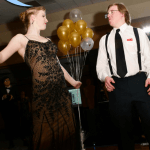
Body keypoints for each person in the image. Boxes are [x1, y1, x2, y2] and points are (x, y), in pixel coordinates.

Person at [0, 6, 82, 150]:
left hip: (61, 94)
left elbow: (58, 65)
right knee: (45, 138)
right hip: (43, 96)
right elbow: (1, 56)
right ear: (33, 18)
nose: (47, 19)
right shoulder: (21, 39)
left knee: (66, 137)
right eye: (43, 16)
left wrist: (73, 81)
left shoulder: (48, 40)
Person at [96, 3, 150, 150]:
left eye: (111, 12)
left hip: (141, 83)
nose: (108, 15)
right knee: (123, 132)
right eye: (107, 13)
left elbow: (149, 58)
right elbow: (100, 66)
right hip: (117, 87)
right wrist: (105, 77)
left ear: (122, 14)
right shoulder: (104, 40)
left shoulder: (138, 33)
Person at [0, 77, 19, 149]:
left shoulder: (15, 88)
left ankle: (18, 138)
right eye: (5, 81)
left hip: (14, 110)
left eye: (8, 80)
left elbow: (18, 97)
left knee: (14, 124)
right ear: (3, 82)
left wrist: (13, 97)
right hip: (5, 111)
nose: (7, 81)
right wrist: (2, 97)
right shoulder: (1, 89)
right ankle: (10, 142)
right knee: (7, 125)